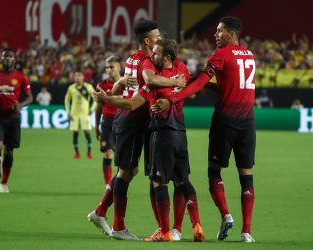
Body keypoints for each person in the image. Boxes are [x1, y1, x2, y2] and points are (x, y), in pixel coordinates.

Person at [152, 16, 256, 243]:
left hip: (225, 121)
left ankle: (226, 214)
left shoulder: (220, 54)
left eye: (219, 31)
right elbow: (225, 86)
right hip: (248, 123)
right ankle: (247, 232)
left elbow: (200, 85)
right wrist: (196, 79)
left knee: (213, 172)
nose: (215, 35)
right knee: (246, 176)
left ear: (231, 34)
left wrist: (173, 98)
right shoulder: (248, 55)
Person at [93, 39, 205, 242]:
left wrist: (107, 99)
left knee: (157, 182)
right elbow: (193, 85)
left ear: (166, 57)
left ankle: (164, 232)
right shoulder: (182, 71)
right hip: (181, 132)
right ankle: (196, 225)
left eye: (155, 54)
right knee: (183, 181)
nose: (151, 57)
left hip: (162, 134)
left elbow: (132, 103)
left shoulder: (153, 82)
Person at [0, 48, 33, 193]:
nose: (8, 59)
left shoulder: (21, 77)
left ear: (14, 59)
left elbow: (30, 97)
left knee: (9, 152)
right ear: (1, 59)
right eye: (5, 56)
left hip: (13, 118)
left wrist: (21, 105)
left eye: (11, 56)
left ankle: (4, 183)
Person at [94, 56, 121, 188]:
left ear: (119, 67)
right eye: (107, 67)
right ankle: (108, 185)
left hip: (122, 122)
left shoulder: (127, 84)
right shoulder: (102, 85)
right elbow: (98, 108)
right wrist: (96, 126)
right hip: (107, 123)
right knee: (107, 153)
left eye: (111, 67)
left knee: (120, 156)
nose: (108, 70)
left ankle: (118, 183)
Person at [65, 72, 96, 159]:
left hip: (85, 115)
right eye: (75, 76)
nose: (77, 77)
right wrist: (68, 111)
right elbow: (67, 100)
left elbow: (95, 98)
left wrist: (92, 109)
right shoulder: (71, 88)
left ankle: (89, 153)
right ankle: (77, 153)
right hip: (74, 115)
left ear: (83, 77)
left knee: (87, 133)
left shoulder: (88, 87)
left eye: (79, 76)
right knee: (75, 134)